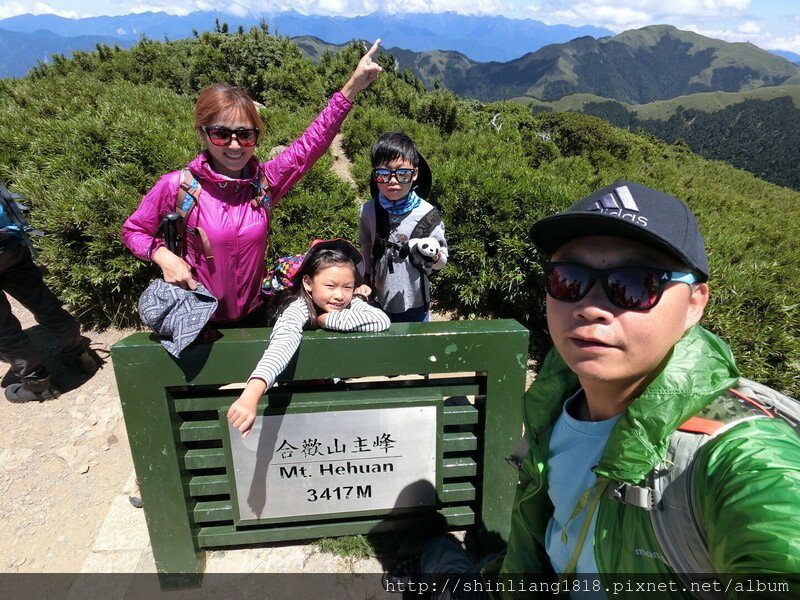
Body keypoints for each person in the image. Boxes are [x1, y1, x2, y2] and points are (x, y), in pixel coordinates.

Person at [405, 180, 800, 598]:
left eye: (636, 284)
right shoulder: (558, 395)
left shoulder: (739, 456)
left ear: (694, 303)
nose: (590, 306)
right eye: (568, 279)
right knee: (443, 558)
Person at [122, 40, 383, 326]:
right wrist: (163, 256)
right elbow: (135, 230)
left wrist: (351, 88)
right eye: (222, 134)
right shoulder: (178, 186)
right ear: (203, 133)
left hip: (254, 313)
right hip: (197, 318)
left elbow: (312, 144)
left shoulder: (263, 182)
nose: (235, 145)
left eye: (245, 135)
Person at [227, 239, 390, 437]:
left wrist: (324, 319)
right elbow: (282, 344)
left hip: (334, 390)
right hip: (299, 393)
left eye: (347, 287)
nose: (339, 295)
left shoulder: (351, 302)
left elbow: (380, 320)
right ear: (308, 282)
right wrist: (251, 395)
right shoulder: (298, 307)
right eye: (330, 285)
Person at [0, 183, 97, 402]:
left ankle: (38, 385)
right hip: (9, 244)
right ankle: (80, 355)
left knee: (3, 328)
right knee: (43, 303)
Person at [357, 132, 448, 323]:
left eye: (402, 173)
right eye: (383, 173)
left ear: (415, 173)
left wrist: (434, 255)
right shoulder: (368, 210)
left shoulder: (428, 214)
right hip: (377, 298)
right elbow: (366, 246)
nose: (393, 180)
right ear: (375, 175)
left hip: (416, 302)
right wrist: (364, 279)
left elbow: (441, 262)